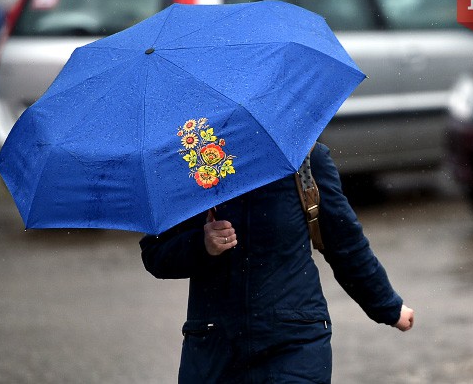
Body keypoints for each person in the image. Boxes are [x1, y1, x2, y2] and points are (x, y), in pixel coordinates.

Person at [140, 142, 414, 383]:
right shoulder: (188, 165)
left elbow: (344, 243)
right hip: (214, 347)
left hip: (294, 342)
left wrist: (387, 306)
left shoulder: (304, 159)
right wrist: (202, 245)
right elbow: (156, 255)